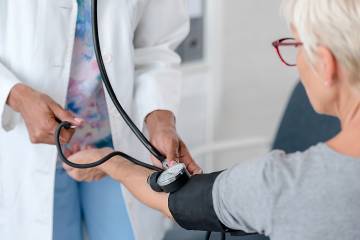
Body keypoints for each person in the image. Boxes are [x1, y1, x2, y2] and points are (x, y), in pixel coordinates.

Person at [66, 0, 360, 239]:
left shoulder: (283, 185)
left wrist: (111, 162)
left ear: (325, 64)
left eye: (295, 46)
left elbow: (179, 202)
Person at [0, 1, 201, 240]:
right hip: (26, 144)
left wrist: (160, 120)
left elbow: (157, 46)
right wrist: (15, 95)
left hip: (119, 150)